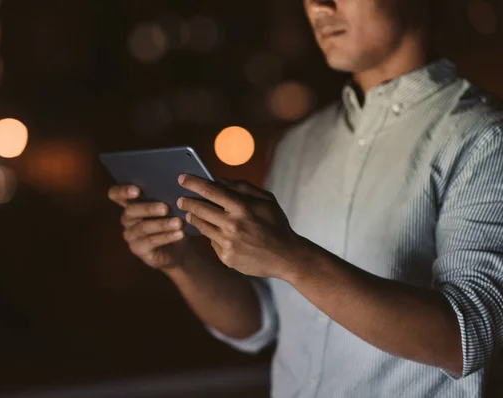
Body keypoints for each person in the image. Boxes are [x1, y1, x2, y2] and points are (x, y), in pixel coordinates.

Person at [108, 0, 503, 396]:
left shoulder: (483, 139)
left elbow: (468, 338)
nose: (319, 6)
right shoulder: (299, 143)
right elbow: (261, 322)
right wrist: (182, 261)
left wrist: (291, 257)